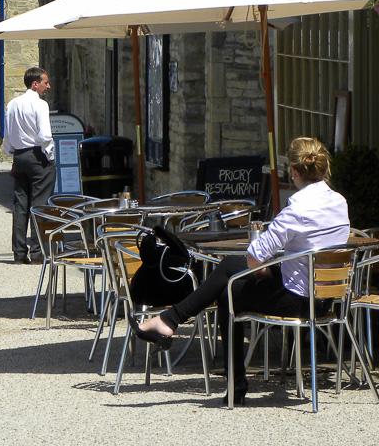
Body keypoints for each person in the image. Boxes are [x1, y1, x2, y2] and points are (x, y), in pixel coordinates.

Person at [131, 137, 349, 404]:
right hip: (327, 298)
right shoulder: (340, 202)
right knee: (228, 280)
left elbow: (255, 257)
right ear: (324, 168)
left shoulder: (298, 210)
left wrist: (265, 270)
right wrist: (269, 270)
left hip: (299, 301)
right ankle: (172, 324)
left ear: (292, 171)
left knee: (229, 280)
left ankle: (173, 324)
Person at [2, 66, 55, 264]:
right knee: (39, 204)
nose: (47, 86)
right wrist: (50, 156)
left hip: (20, 156)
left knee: (20, 204)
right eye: (45, 82)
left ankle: (19, 252)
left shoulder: (12, 104)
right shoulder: (40, 105)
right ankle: (38, 251)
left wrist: (13, 152)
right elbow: (45, 136)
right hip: (37, 155)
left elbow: (7, 136)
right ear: (35, 84)